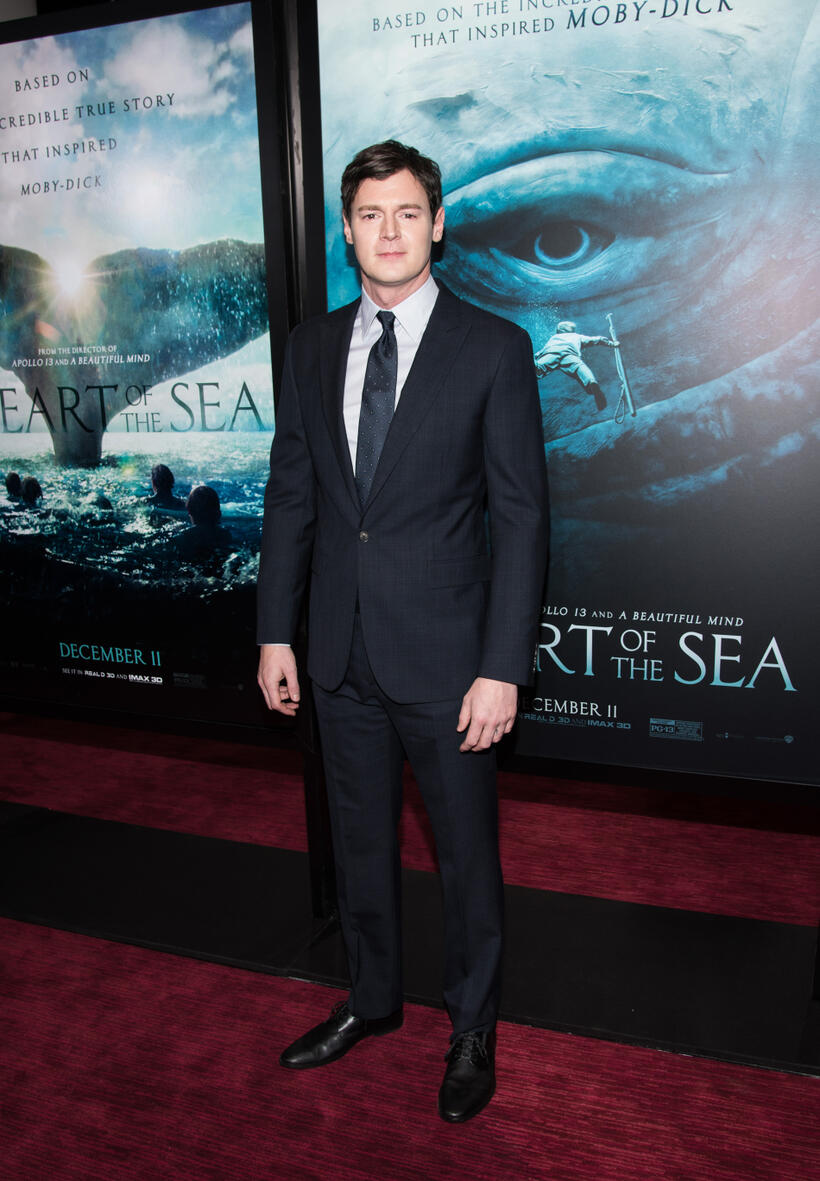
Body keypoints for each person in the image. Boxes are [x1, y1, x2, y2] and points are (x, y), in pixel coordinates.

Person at [256, 141, 548, 1123]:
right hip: (336, 652)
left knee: (465, 856)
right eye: (371, 214)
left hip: (449, 659)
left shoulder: (493, 348)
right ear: (347, 230)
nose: (389, 230)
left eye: (407, 212)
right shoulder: (307, 346)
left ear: (436, 223)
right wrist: (275, 632)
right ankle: (372, 1000)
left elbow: (521, 516)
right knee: (359, 845)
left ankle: (472, 1028)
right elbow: (292, 497)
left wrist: (502, 665)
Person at [534, 322, 618, 413]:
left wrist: (534, 358)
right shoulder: (576, 336)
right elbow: (597, 340)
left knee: (537, 369)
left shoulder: (553, 338)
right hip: (570, 355)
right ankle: (591, 382)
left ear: (559, 331)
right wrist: (612, 344)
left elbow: (541, 352)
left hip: (551, 353)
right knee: (580, 369)